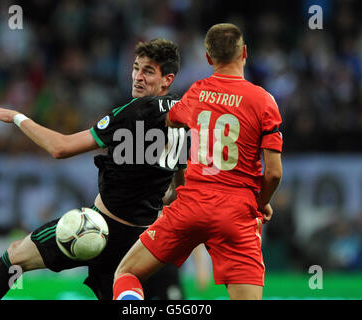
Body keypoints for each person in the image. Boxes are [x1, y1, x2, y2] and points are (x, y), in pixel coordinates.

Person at [0, 38, 189, 300]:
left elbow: (60, 147)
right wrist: (171, 192)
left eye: (148, 71)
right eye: (136, 68)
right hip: (138, 241)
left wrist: (18, 118)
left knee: (14, 256)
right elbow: (179, 179)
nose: (138, 77)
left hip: (98, 227)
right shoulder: (182, 115)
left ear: (167, 79)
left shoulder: (132, 112)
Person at [113, 23, 283, 300]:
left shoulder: (196, 93)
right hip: (237, 212)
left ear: (207, 57)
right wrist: (261, 202)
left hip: (191, 205)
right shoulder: (264, 101)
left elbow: (168, 121)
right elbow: (274, 174)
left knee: (126, 274)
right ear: (245, 53)